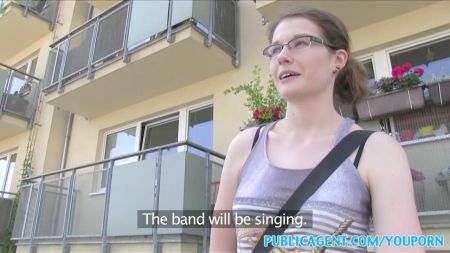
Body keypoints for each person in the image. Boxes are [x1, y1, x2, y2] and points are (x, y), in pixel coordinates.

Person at [210, 7, 424, 253]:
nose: (282, 56)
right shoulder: (245, 146)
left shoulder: (377, 151)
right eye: (275, 49)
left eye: (300, 43)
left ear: (338, 59)